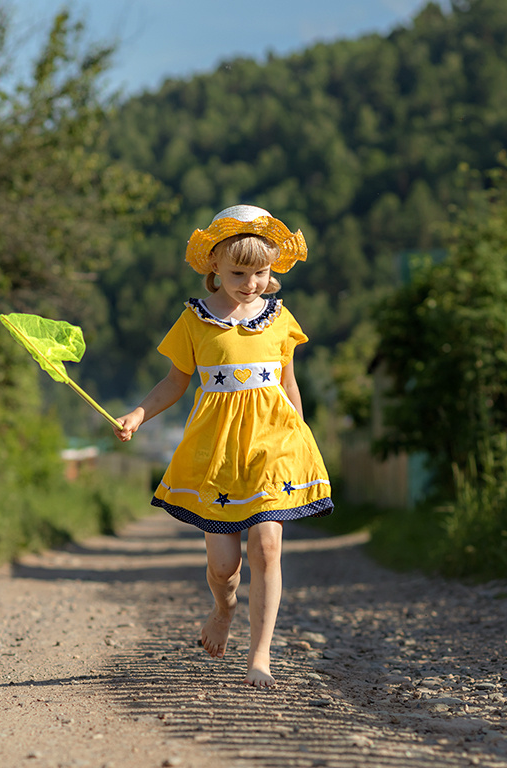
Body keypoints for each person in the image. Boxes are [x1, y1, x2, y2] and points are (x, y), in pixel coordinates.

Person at [114, 204, 333, 687]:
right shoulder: (194, 321)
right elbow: (174, 383)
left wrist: (300, 435)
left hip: (272, 447)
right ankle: (223, 605)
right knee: (224, 565)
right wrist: (137, 414)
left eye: (261, 272)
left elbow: (289, 386)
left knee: (267, 546)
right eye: (239, 272)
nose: (251, 282)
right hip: (216, 452)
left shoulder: (279, 319)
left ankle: (260, 657)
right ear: (213, 266)